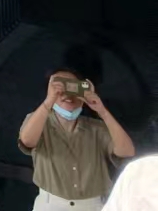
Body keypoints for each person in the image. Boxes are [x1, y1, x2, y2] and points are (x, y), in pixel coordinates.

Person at [18, 66, 137, 211]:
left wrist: (102, 111)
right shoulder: (39, 122)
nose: (67, 95)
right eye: (59, 87)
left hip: (93, 205)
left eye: (73, 88)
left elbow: (127, 152)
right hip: (50, 204)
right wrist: (48, 101)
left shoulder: (97, 128)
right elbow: (27, 140)